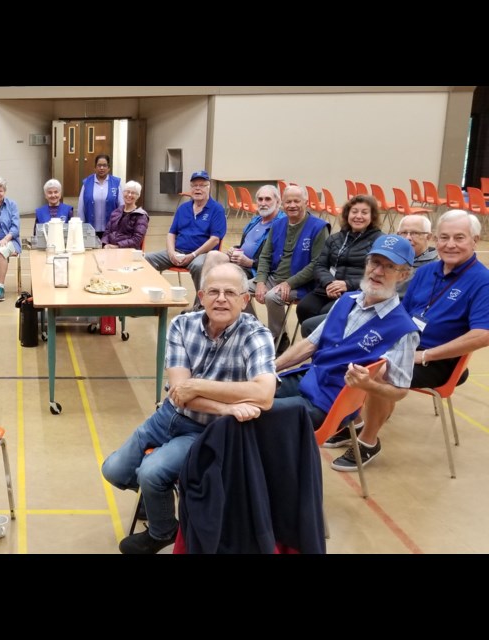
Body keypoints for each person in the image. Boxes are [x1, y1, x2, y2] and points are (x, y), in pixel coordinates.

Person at [101, 263, 277, 554]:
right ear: (201, 296)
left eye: (230, 292)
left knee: (151, 473)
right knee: (114, 470)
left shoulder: (256, 336)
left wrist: (198, 387)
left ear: (245, 300)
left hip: (204, 430)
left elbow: (264, 394)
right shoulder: (182, 325)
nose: (221, 298)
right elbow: (180, 394)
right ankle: (157, 496)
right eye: (214, 292)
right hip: (167, 416)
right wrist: (227, 407)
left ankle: (163, 530)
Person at [330, 211, 489, 471]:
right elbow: (402, 309)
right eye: (444, 237)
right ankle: (355, 421)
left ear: (475, 240)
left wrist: (425, 355)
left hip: (437, 359)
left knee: (378, 372)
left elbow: (483, 335)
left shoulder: (483, 282)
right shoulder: (426, 272)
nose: (450, 244)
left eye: (459, 238)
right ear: (435, 240)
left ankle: (369, 442)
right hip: (404, 342)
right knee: (347, 352)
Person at [272, 235, 420, 465]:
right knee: (248, 386)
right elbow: (311, 343)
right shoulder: (347, 300)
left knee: (252, 409)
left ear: (404, 275)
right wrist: (271, 367)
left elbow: (400, 390)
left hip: (326, 405)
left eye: (389, 266)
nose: (378, 271)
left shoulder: (403, 329)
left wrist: (367, 385)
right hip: (308, 378)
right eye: (375, 262)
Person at [298, 213, 438, 338]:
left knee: (313, 325)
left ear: (429, 237)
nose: (408, 238)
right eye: (404, 233)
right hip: (361, 302)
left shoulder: (430, 269)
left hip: (386, 318)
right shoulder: (389, 256)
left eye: (415, 233)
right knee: (312, 315)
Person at [253, 184, 330, 352]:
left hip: (303, 285)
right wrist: (260, 281)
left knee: (272, 297)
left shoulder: (319, 227)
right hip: (274, 278)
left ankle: (279, 338)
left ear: (306, 203)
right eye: (288, 202)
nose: (292, 205)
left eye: (297, 201)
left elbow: (317, 264)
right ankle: (253, 330)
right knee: (239, 288)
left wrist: (289, 283)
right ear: (282, 204)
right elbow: (265, 256)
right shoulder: (278, 225)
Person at [295, 194, 383, 326]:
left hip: (356, 292)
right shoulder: (335, 238)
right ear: (347, 214)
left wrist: (347, 284)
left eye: (364, 213)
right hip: (327, 289)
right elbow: (320, 266)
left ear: (372, 217)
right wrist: (330, 283)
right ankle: (314, 345)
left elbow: (378, 274)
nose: (358, 216)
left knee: (328, 312)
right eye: (354, 212)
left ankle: (330, 345)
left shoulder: (379, 240)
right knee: (304, 308)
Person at [145, 170, 226, 292]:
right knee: (147, 259)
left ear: (209, 187)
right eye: (194, 186)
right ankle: (152, 298)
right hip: (178, 251)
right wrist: (171, 252)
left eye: (202, 185)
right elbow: (171, 233)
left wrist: (193, 255)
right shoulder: (183, 208)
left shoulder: (217, 209)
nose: (197, 189)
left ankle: (201, 304)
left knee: (198, 266)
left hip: (201, 254)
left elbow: (215, 240)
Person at [76, 154, 123, 237]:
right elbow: (81, 207)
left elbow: (122, 206)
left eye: (104, 165)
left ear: (109, 168)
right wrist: (82, 226)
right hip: (90, 228)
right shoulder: (87, 183)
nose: (102, 168)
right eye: (99, 165)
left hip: (111, 229)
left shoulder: (116, 183)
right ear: (95, 167)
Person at [101, 181, 149, 249]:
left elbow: (137, 240)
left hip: (127, 252)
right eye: (127, 191)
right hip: (110, 250)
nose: (129, 195)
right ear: (123, 193)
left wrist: (117, 246)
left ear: (138, 196)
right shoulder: (116, 212)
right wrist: (105, 244)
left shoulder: (141, 216)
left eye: (133, 193)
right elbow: (107, 232)